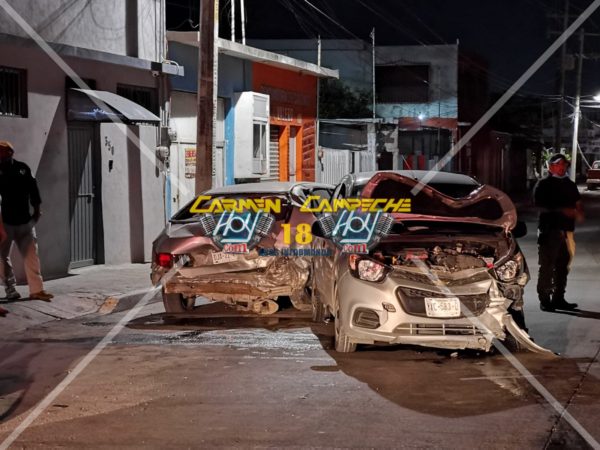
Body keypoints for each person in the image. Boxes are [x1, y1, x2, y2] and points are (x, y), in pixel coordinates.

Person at [0, 141, 53, 302]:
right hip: (5, 223)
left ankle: (37, 290)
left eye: (1, 152)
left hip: (24, 222)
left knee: (31, 256)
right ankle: (10, 290)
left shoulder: (22, 168)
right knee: (1, 258)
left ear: (10, 153)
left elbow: (33, 190)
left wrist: (37, 212)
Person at [533, 153, 583, 312]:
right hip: (549, 230)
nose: (562, 167)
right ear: (551, 166)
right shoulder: (544, 184)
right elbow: (538, 205)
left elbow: (577, 201)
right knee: (547, 266)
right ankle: (545, 299)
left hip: (566, 231)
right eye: (558, 164)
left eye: (564, 164)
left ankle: (559, 298)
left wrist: (578, 211)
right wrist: (561, 210)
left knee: (563, 266)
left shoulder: (569, 184)